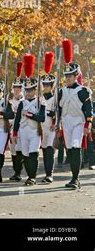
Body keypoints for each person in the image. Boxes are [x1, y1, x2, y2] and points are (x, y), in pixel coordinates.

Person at [57, 39, 93, 189]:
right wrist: (56, 123)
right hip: (66, 123)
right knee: (70, 150)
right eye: (66, 76)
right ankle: (73, 176)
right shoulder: (61, 91)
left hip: (78, 122)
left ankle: (75, 178)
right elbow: (58, 109)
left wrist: (88, 124)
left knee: (76, 146)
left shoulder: (84, 91)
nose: (68, 78)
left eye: (71, 75)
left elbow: (88, 109)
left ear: (76, 75)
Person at [12, 53, 45, 186]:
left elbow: (42, 117)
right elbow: (17, 120)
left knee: (33, 153)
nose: (29, 92)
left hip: (34, 131)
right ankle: (29, 175)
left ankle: (32, 177)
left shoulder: (40, 101)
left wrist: (30, 115)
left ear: (35, 90)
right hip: (23, 131)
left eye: (31, 90)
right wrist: (14, 133)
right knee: (25, 154)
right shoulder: (22, 103)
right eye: (27, 90)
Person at [40, 51, 56, 184]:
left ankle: (49, 174)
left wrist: (53, 115)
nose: (45, 87)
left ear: (52, 87)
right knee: (44, 150)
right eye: (44, 85)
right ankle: (46, 172)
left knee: (50, 149)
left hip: (51, 127)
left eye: (48, 85)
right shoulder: (39, 99)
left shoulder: (55, 98)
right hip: (40, 127)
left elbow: (59, 112)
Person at [9, 62, 25, 181]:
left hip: (23, 128)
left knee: (21, 149)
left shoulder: (26, 101)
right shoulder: (9, 101)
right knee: (13, 150)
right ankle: (16, 172)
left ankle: (20, 171)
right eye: (15, 88)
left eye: (19, 88)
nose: (16, 90)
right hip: (11, 128)